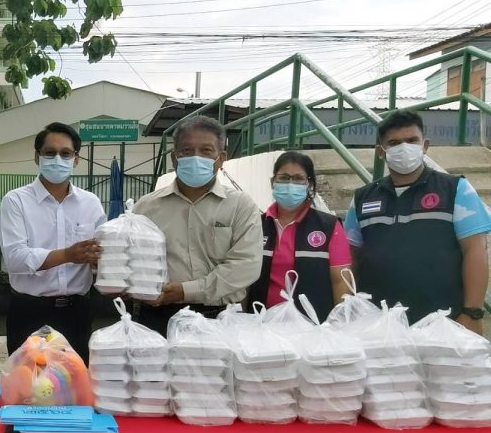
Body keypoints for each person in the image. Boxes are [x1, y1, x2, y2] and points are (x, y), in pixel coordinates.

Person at [344, 109, 491, 330]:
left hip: (444, 323)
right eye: (394, 143)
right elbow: (350, 257)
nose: (404, 148)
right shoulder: (362, 198)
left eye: (412, 140)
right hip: (376, 325)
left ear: (425, 145)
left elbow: (475, 251)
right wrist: (350, 310)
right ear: (381, 152)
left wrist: (473, 313)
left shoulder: (456, 189)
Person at [134, 115, 262, 335]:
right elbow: (132, 259)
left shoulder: (240, 205)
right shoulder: (146, 207)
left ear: (221, 158)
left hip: (219, 317)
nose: (196, 158)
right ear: (174, 158)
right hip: (157, 316)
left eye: (206, 151)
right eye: (187, 151)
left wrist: (185, 291)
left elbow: (245, 266)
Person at [0, 122, 106, 363]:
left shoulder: (90, 203)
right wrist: (68, 255)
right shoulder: (16, 201)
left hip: (76, 313)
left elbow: (102, 255)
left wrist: (103, 260)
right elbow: (15, 258)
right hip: (30, 312)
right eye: (50, 152)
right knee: (28, 381)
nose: (58, 159)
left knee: (76, 381)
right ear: (37, 157)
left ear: (76, 159)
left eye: (66, 153)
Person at [246, 152, 352, 321]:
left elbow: (341, 281)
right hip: (261, 324)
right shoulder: (256, 225)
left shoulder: (329, 227)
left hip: (313, 326)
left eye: (298, 179)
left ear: (309, 184)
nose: (290, 184)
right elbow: (244, 280)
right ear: (272, 182)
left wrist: (339, 323)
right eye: (283, 178)